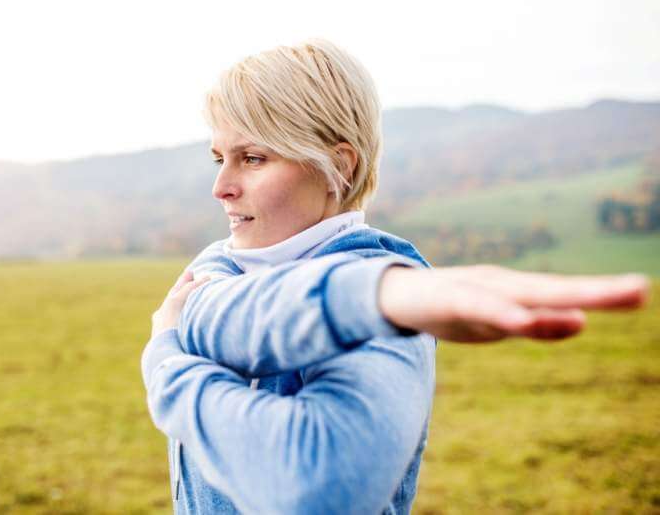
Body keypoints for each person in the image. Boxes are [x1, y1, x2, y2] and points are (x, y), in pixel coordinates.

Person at [141, 39, 649, 514]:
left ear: (338, 168)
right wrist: (376, 295)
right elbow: (218, 310)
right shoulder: (225, 262)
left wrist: (167, 366)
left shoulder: (400, 307)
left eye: (252, 158)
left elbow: (318, 484)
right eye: (219, 158)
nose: (221, 187)